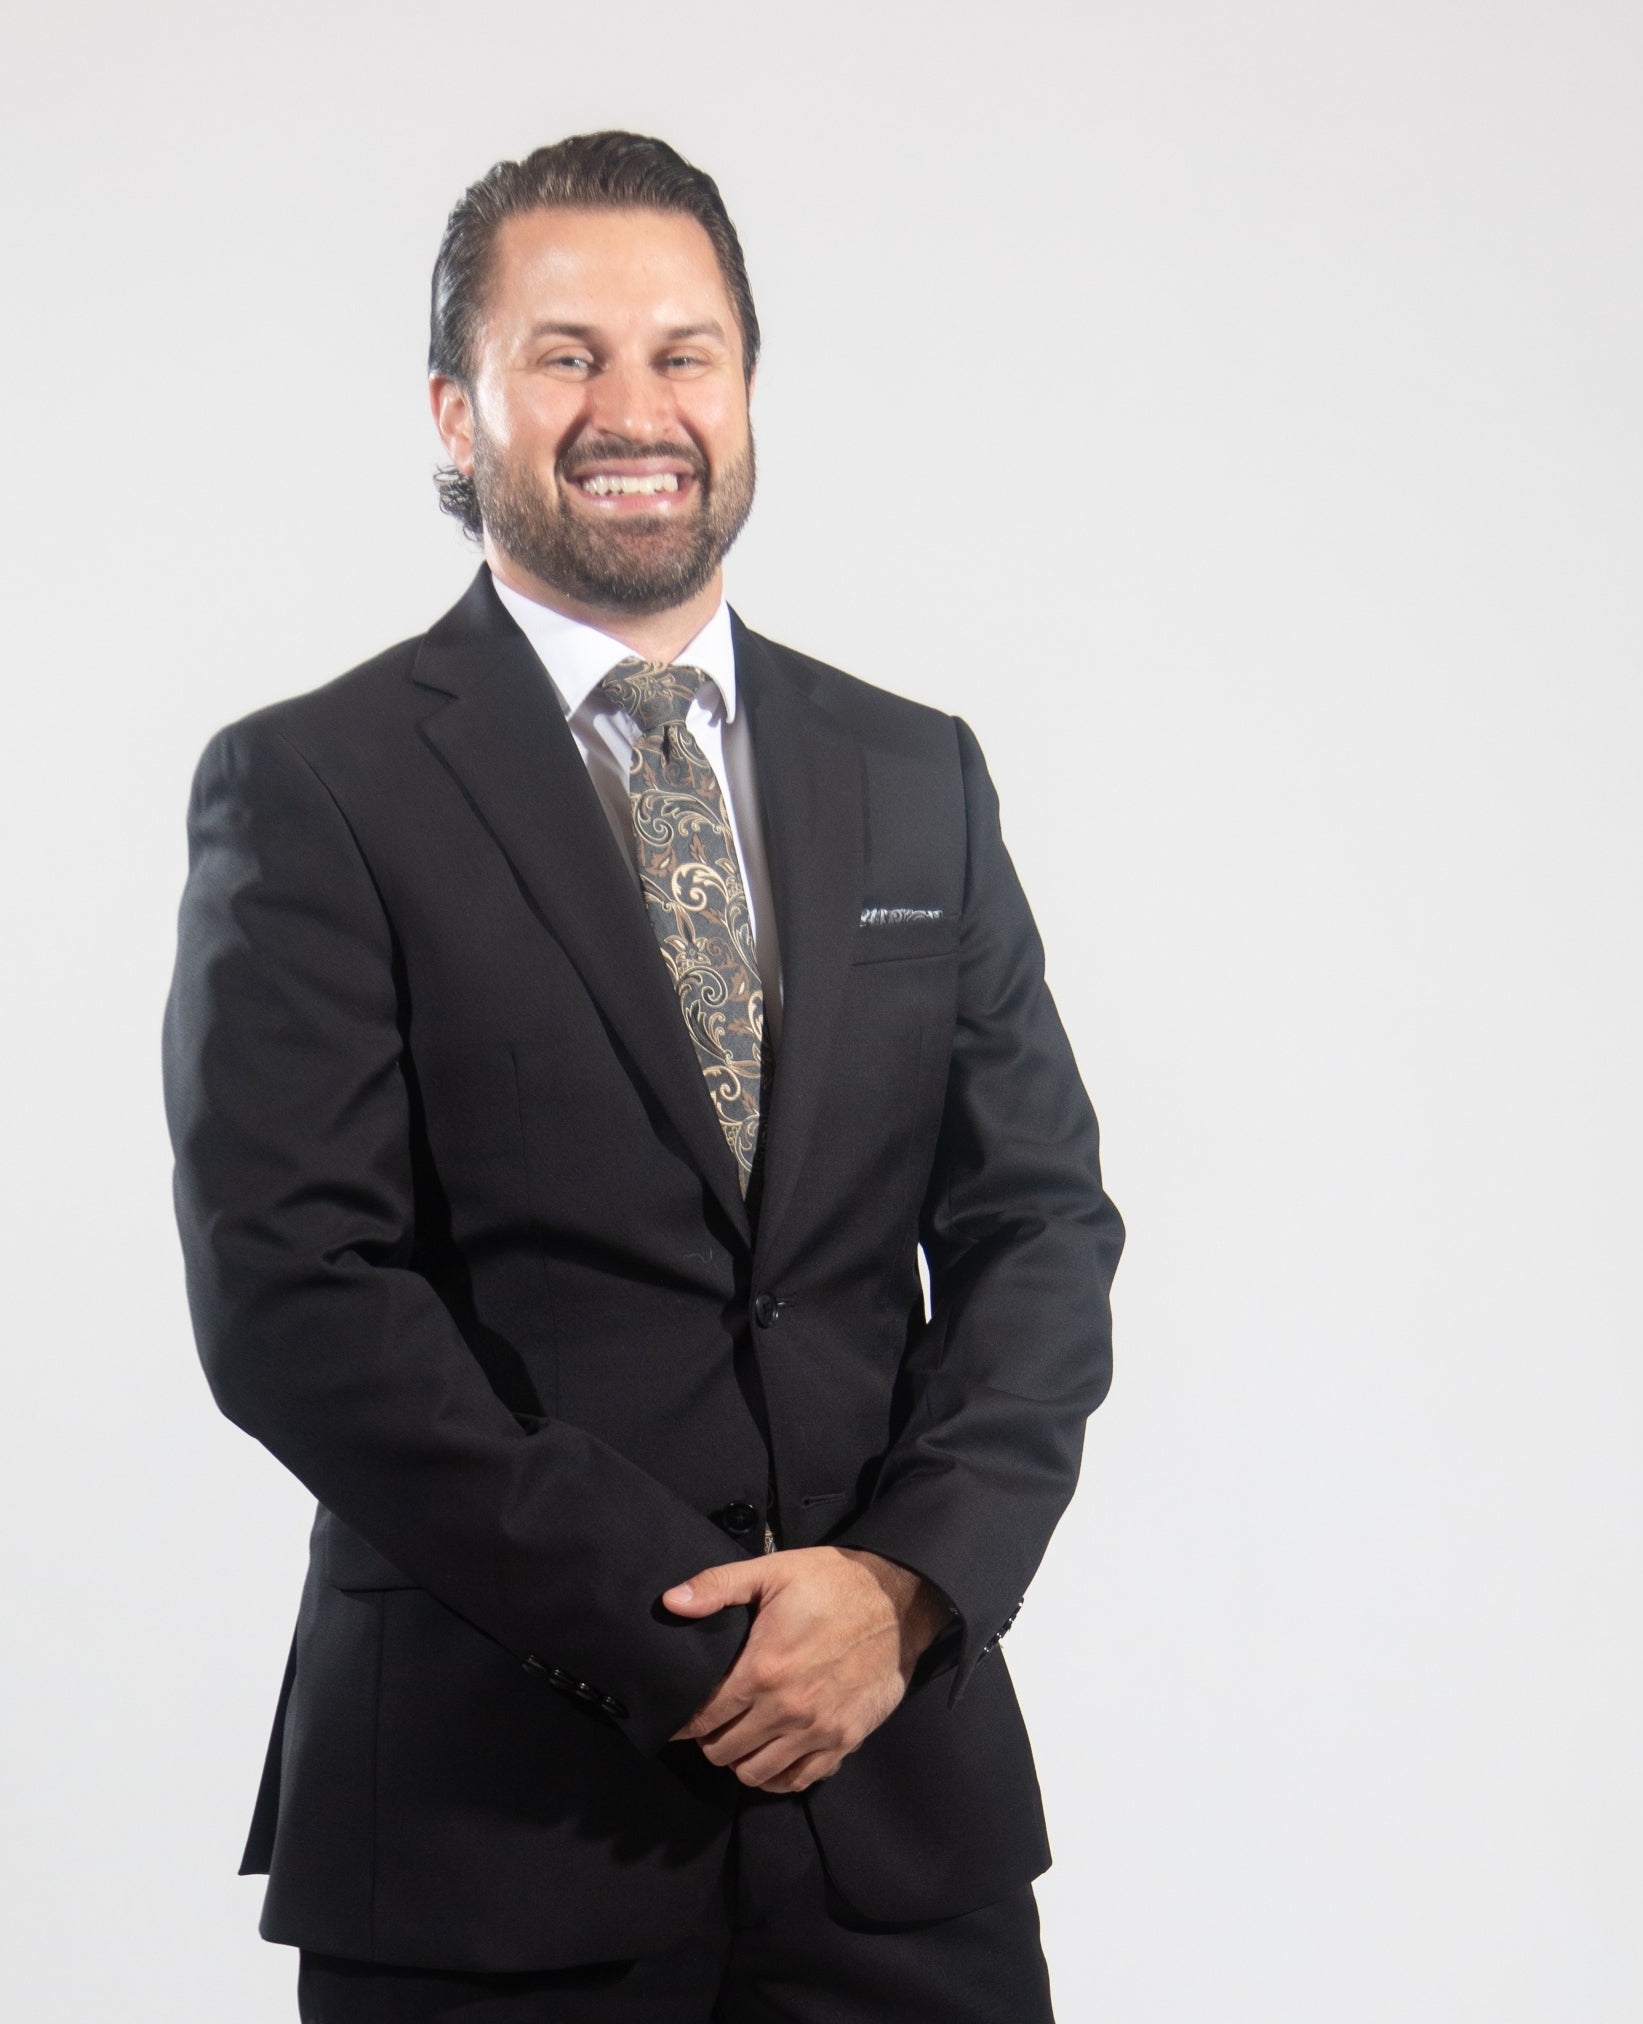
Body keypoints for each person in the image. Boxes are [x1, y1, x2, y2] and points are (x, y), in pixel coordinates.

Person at [163, 130, 1121, 2022]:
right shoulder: (318, 785)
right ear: (457, 410)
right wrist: (681, 1634)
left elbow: (1036, 1224)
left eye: (683, 353)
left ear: (745, 391)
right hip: (487, 1825)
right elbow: (294, 1297)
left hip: (894, 1811)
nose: (634, 407)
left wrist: (905, 1589)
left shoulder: (915, 768)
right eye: (565, 352)